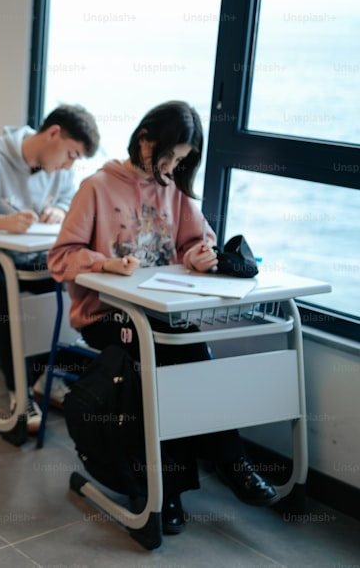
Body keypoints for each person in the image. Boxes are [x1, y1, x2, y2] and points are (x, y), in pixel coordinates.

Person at [47, 100, 279, 536]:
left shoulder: (173, 187)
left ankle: (204, 472)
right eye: (167, 156)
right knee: (167, 358)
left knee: (189, 349)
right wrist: (103, 263)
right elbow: (59, 259)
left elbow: (197, 241)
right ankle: (186, 480)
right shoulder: (96, 187)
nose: (171, 168)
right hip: (107, 315)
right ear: (144, 139)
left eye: (182, 161)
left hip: (161, 315)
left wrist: (199, 255)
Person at [0, 104, 100, 446]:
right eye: (70, 154)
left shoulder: (59, 171)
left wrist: (60, 210)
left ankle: (41, 375)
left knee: (62, 292)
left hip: (27, 259)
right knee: (9, 307)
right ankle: (20, 394)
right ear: (53, 133)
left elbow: (67, 198)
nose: (69, 165)